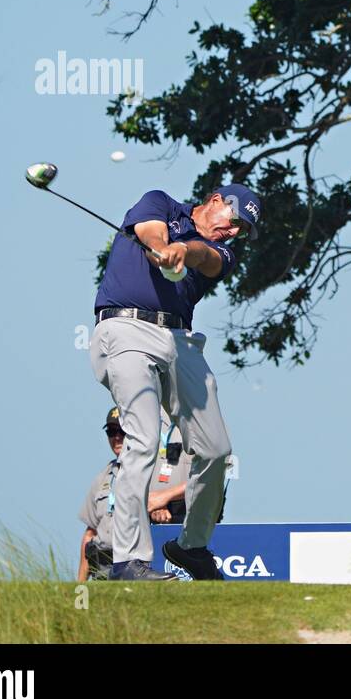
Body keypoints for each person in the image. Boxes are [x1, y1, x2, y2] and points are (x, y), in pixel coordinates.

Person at [90, 183, 260, 581]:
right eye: (234, 221)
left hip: (179, 340)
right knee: (144, 439)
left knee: (216, 448)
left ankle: (192, 546)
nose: (233, 232)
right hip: (125, 327)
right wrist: (163, 245)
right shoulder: (161, 203)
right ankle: (128, 562)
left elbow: (206, 257)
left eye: (242, 231)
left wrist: (184, 252)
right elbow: (149, 230)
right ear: (216, 201)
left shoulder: (223, 251)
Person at [78, 408, 190, 581]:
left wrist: (161, 508)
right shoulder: (103, 477)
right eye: (111, 432)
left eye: (121, 431)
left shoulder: (150, 471)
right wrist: (79, 585)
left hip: (134, 566)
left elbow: (160, 504)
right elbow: (90, 533)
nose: (117, 437)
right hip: (100, 569)